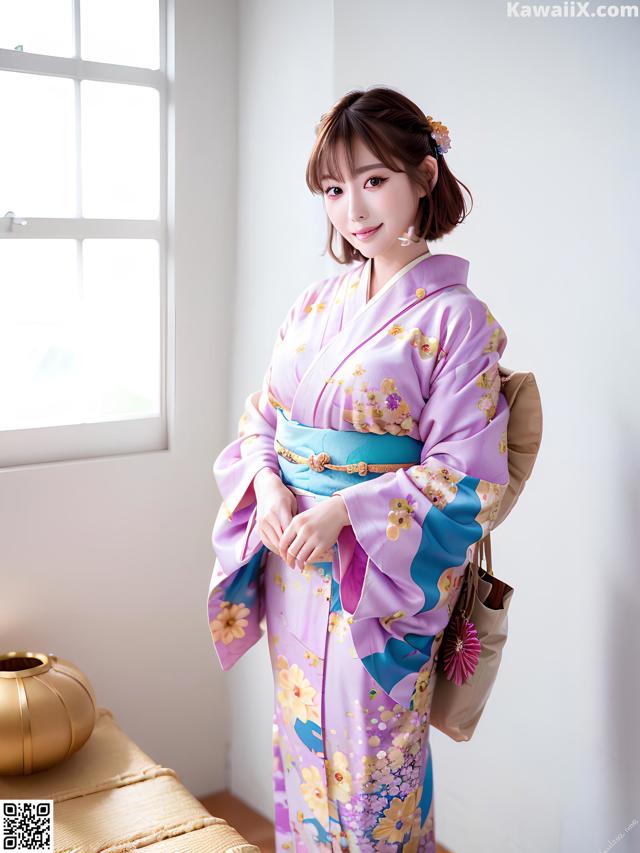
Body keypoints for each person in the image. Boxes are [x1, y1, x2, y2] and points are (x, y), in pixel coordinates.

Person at [207, 86, 510, 852]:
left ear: (424, 177)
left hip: (373, 578)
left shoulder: (457, 318)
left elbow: (465, 477)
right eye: (334, 189)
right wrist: (270, 487)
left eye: (373, 180)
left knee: (377, 762)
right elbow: (262, 418)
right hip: (291, 564)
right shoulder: (315, 303)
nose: (352, 208)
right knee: (302, 744)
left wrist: (341, 512)